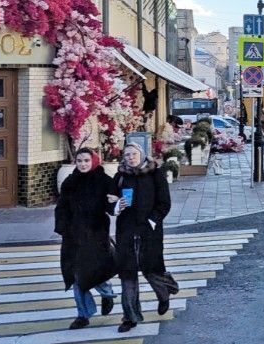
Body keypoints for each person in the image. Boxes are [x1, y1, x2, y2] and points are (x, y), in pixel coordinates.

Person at [111, 142, 180, 332]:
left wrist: (152, 220)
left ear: (142, 155)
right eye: (127, 155)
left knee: (152, 270)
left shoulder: (155, 174)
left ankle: (164, 293)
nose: (130, 158)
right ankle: (130, 317)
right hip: (126, 230)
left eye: (134, 154)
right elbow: (109, 200)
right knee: (127, 274)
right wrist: (117, 207)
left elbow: (164, 203)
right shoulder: (120, 176)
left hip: (149, 231)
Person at [54, 148, 117, 330]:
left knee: (95, 271)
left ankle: (107, 294)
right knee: (76, 276)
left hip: (95, 235)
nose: (82, 164)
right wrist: (63, 227)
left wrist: (116, 205)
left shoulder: (103, 181)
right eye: (79, 161)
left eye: (86, 161)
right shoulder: (70, 182)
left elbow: (111, 206)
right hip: (73, 237)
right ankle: (83, 315)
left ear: (94, 161)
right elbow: (62, 207)